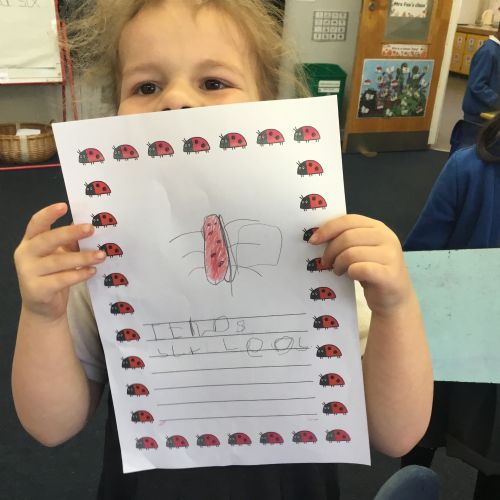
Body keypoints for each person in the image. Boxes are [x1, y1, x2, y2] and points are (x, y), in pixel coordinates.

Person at [11, 1, 433, 499]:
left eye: (213, 82)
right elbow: (51, 427)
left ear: (265, 105)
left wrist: (395, 306)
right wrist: (41, 315)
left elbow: (396, 434)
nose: (176, 101)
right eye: (146, 86)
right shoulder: (102, 253)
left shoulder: (321, 242)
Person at [401, 112, 500, 499]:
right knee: (426, 422)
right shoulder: (469, 168)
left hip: (462, 330)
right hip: (455, 329)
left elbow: (419, 256)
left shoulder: (467, 167)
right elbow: (421, 258)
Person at [450, 26, 500, 155]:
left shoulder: (496, 50)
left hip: (488, 112)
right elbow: (477, 85)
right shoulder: (488, 52)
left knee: (480, 151)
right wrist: (497, 101)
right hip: (477, 115)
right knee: (467, 152)